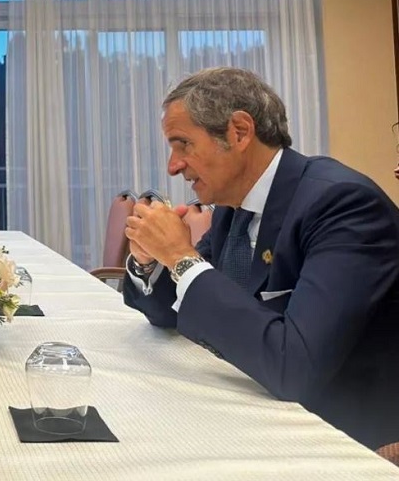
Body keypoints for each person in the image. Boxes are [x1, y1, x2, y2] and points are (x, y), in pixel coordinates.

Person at [123, 67, 399, 451]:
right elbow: (177, 309)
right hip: (258, 405)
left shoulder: (342, 205)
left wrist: (181, 256)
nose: (173, 165)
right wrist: (152, 260)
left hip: (340, 435)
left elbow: (293, 365)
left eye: (183, 144)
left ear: (239, 132)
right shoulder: (234, 207)